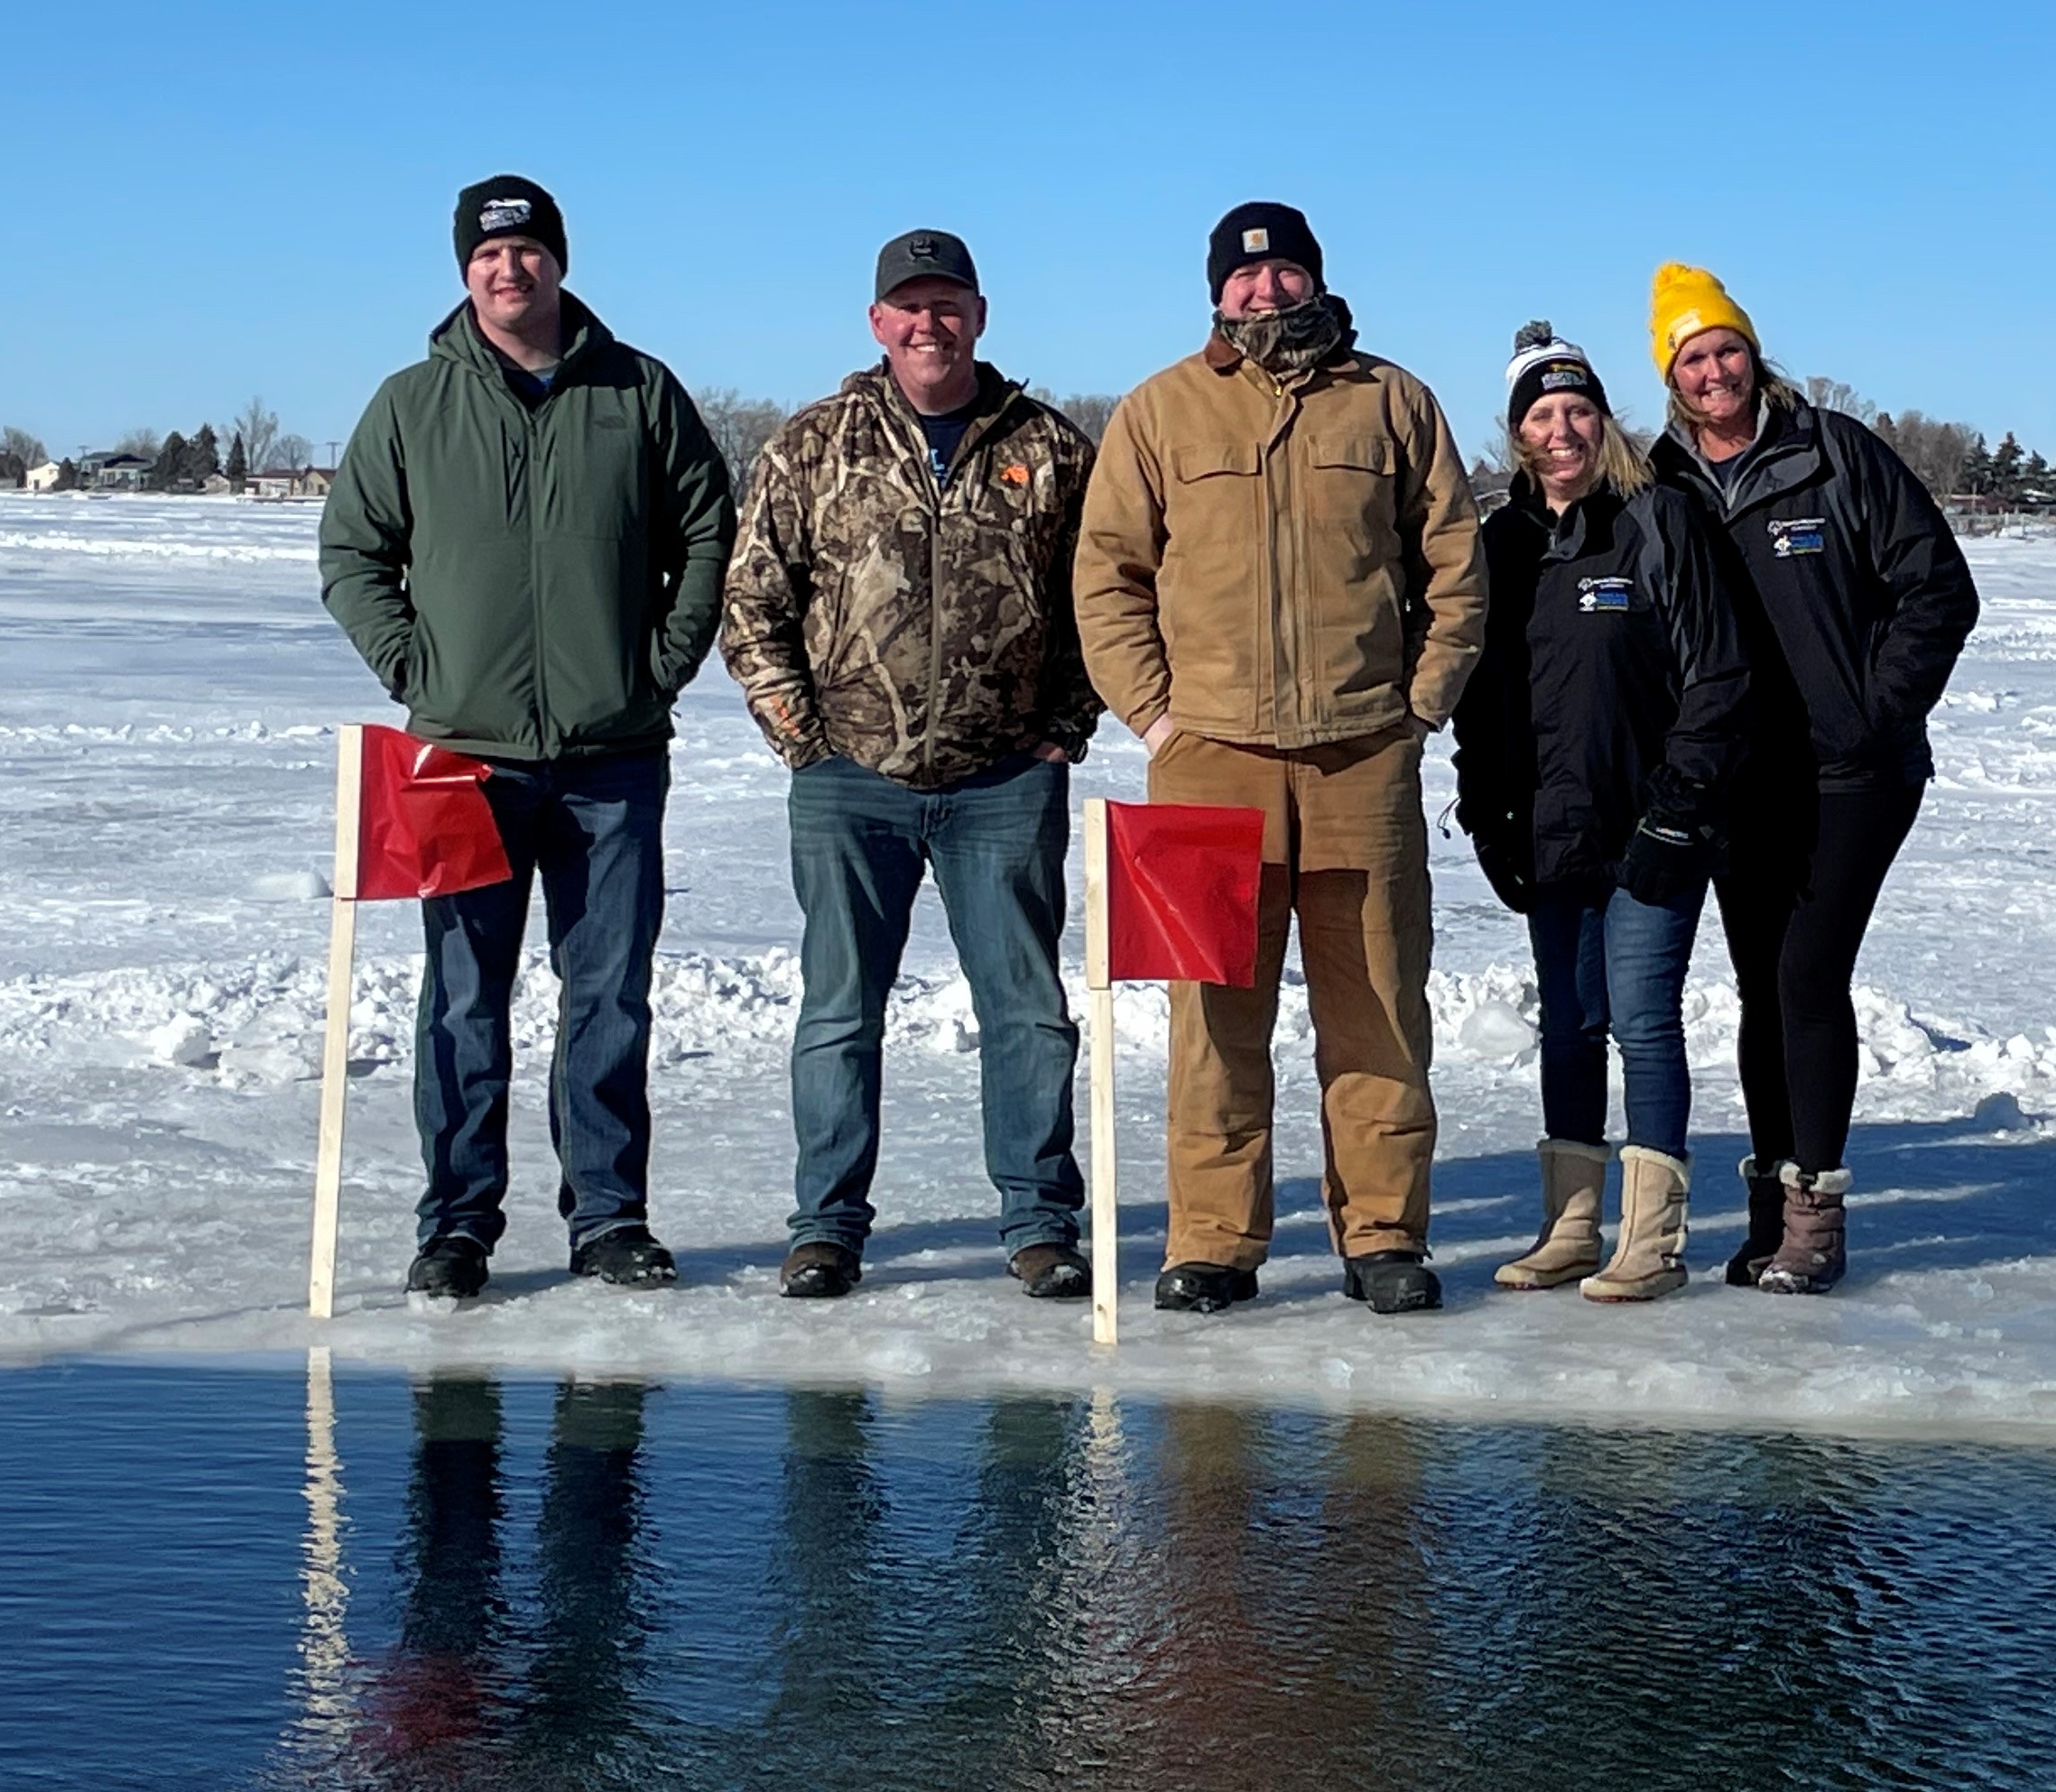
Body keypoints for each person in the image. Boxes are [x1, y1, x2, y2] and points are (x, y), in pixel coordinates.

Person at [320, 174, 735, 1302]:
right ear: (466, 273)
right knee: (462, 998)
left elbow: (706, 531)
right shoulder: (411, 404)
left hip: (612, 756)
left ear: (559, 260)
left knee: (608, 993)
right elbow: (352, 555)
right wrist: (420, 670)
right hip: (463, 758)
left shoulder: (638, 392)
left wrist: (659, 666)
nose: (511, 271)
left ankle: (608, 1216)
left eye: (529, 251)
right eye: (488, 257)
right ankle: (456, 1226)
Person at [1072, 200, 1490, 1316]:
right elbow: (1107, 577)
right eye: (1246, 280)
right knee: (1214, 1018)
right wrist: (1160, 722)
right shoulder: (1160, 410)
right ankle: (1212, 1240)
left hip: (1363, 758)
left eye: (1286, 274)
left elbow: (1455, 564)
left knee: (1381, 1008)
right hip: (1210, 760)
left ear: (1315, 281)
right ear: (1218, 294)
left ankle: (1385, 1234)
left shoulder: (1392, 401)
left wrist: (1420, 708)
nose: (1265, 293)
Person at [721, 227, 1104, 1302]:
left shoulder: (1050, 448)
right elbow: (752, 600)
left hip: (1004, 781)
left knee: (1025, 1011)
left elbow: (1105, 598)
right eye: (909, 307)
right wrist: (798, 729)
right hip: (851, 778)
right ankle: (827, 1227)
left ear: (980, 317)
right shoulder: (814, 445)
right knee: (840, 1009)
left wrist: (1063, 723)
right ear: (878, 323)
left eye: (948, 305)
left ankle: (1039, 1222)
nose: (928, 325)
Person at [1645, 262, 1977, 1291]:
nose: (1714, 371)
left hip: (1852, 772)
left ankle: (1815, 1216)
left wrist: (1872, 718)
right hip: (1742, 775)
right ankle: (1765, 1214)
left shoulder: (1834, 453)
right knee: (1757, 991)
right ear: (1670, 374)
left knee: (1805, 976)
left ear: (1755, 354)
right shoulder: (1662, 480)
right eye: (1692, 357)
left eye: (1726, 349)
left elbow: (1939, 590)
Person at [1452, 324, 1752, 1302]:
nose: (1563, 429)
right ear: (1518, 433)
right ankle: (1571, 1224)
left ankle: (1650, 1239)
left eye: (1578, 409)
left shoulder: (1657, 520)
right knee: (1570, 1026)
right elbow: (1485, 701)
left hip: (1650, 827)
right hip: (1549, 828)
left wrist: (1680, 810)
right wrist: (1486, 812)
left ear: (1603, 420)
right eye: (1541, 414)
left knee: (1642, 1021)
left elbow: (1718, 677)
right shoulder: (1502, 542)